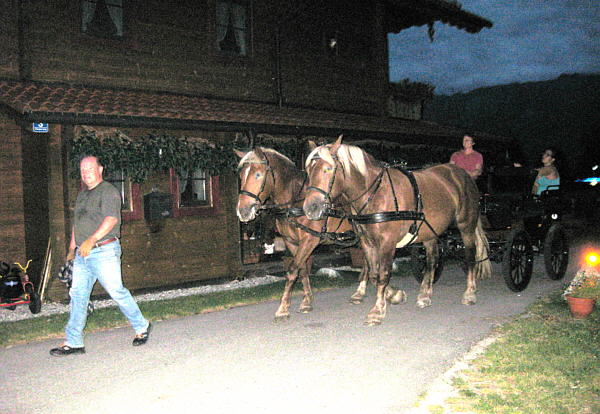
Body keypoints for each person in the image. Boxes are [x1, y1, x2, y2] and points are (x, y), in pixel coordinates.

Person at [50, 155, 152, 356]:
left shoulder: (109, 191)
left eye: (89, 169)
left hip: (103, 250)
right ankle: (74, 342)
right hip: (82, 253)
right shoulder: (82, 195)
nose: (86, 173)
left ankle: (141, 326)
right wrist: (72, 249)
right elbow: (77, 224)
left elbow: (111, 219)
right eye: (82, 170)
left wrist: (91, 240)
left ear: (100, 169)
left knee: (116, 291)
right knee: (78, 295)